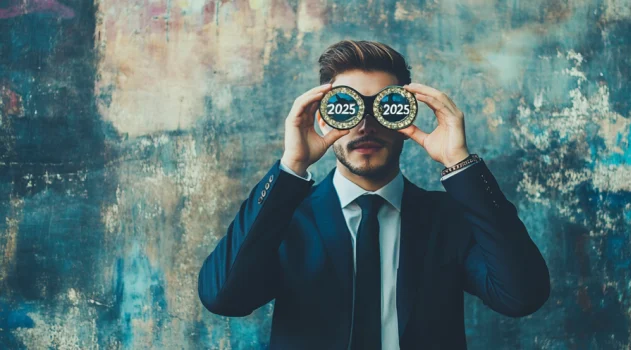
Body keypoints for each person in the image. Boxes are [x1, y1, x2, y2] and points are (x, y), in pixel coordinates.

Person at [197, 40, 550, 350]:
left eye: (384, 106)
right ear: (323, 120)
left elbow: (521, 296)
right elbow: (224, 297)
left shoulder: (449, 217)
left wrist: (460, 162)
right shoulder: (286, 218)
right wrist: (291, 167)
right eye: (347, 108)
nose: (365, 125)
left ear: (403, 120)